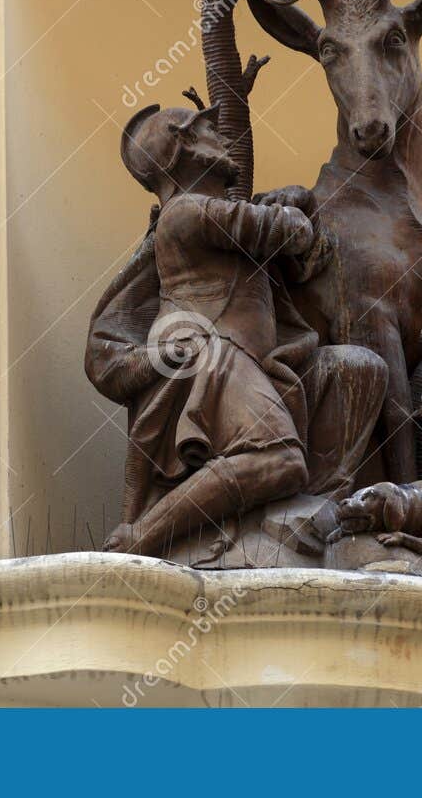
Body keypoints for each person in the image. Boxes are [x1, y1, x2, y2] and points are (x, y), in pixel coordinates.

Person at [99, 102, 316, 556]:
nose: (220, 135)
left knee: (356, 372)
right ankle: (142, 538)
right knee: (280, 459)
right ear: (185, 147)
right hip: (212, 356)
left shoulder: (196, 212)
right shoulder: (188, 212)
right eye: (207, 129)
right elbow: (290, 232)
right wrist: (292, 205)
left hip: (240, 356)